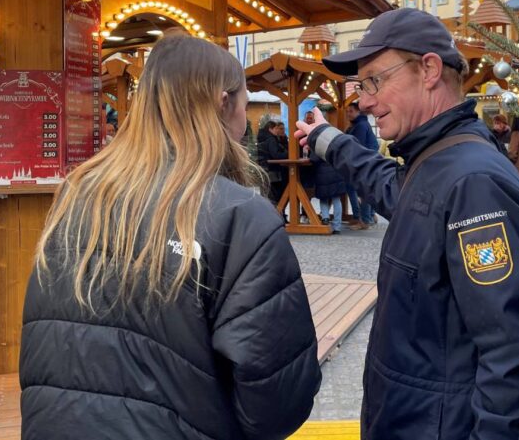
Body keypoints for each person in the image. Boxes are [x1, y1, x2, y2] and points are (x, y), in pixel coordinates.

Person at [20, 35, 320, 440]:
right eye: (246, 106)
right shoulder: (238, 216)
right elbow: (276, 401)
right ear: (222, 102)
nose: (244, 124)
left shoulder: (77, 194)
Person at [294, 7, 519, 440]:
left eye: (374, 81)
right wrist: (325, 140)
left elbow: (510, 354)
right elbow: (388, 185)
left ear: (428, 70)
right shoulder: (435, 159)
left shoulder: (473, 182)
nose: (364, 100)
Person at [344, 102, 379, 227]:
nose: (348, 114)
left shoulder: (360, 125)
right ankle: (368, 215)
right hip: (367, 160)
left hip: (364, 162)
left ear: (358, 112)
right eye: (347, 111)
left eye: (351, 111)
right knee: (361, 189)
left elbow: (358, 146)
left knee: (360, 190)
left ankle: (364, 220)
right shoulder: (358, 124)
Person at [256, 119, 288, 204]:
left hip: (264, 170)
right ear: (270, 129)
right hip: (272, 172)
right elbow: (276, 155)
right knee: (275, 196)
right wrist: (287, 153)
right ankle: (279, 215)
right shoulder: (271, 140)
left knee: (267, 196)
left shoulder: (263, 138)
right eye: (276, 128)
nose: (277, 131)